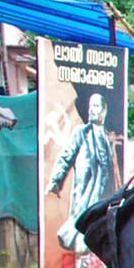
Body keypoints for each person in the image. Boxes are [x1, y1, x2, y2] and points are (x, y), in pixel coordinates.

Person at [49, 90, 117, 255]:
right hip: (84, 195)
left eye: (96, 106)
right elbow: (66, 156)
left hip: (103, 197)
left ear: (104, 111)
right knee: (78, 230)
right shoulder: (82, 133)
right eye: (90, 106)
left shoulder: (107, 138)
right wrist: (56, 180)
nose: (92, 110)